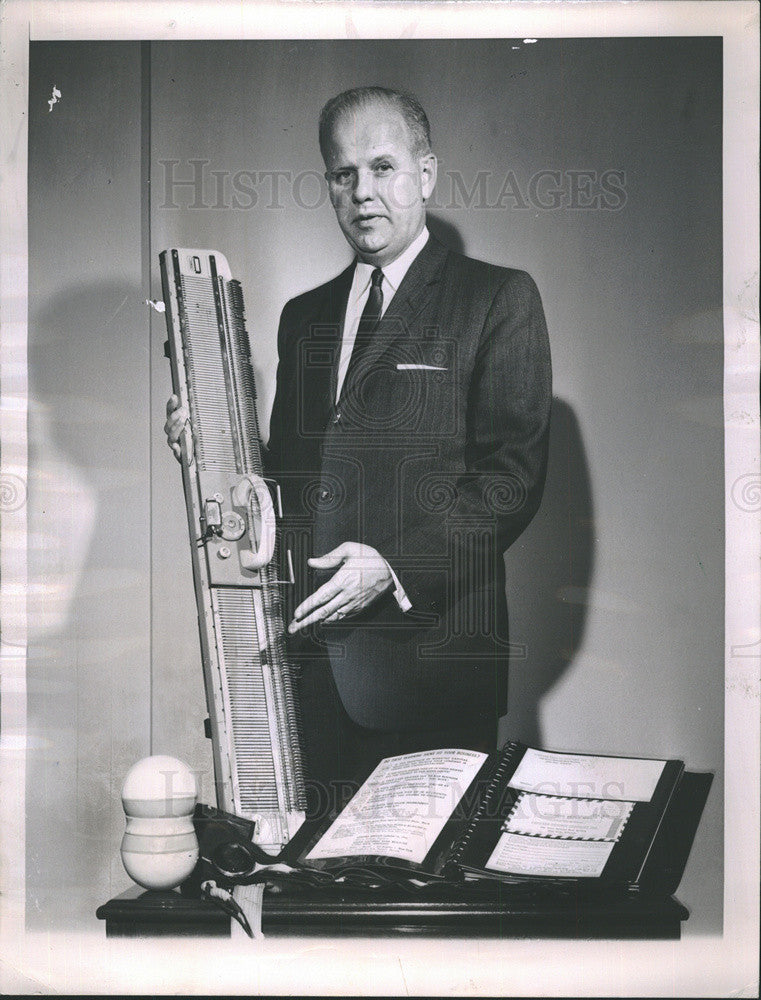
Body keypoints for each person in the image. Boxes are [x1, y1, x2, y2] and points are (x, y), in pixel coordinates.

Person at [166, 86, 551, 803]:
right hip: (310, 678)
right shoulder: (303, 316)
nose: (362, 192)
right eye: (344, 174)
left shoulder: (497, 298)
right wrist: (208, 460)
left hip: (432, 675)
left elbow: (511, 482)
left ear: (425, 174)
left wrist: (393, 565)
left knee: (422, 906)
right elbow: (283, 482)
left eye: (381, 167)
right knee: (314, 895)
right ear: (328, 186)